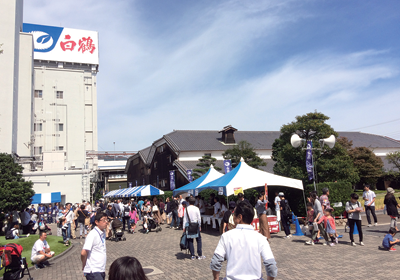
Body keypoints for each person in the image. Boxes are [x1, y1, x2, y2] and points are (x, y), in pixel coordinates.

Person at [210, 201, 277, 280]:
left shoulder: (226, 236)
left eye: (233, 214)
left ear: (239, 217)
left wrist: (216, 278)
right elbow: (271, 266)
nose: (233, 217)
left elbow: (215, 262)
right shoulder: (261, 238)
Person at [81, 212, 108, 280]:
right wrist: (84, 264)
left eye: (107, 220)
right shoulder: (92, 234)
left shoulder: (102, 232)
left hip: (101, 269)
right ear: (96, 222)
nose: (106, 222)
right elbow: (83, 252)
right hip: (93, 271)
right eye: (104, 220)